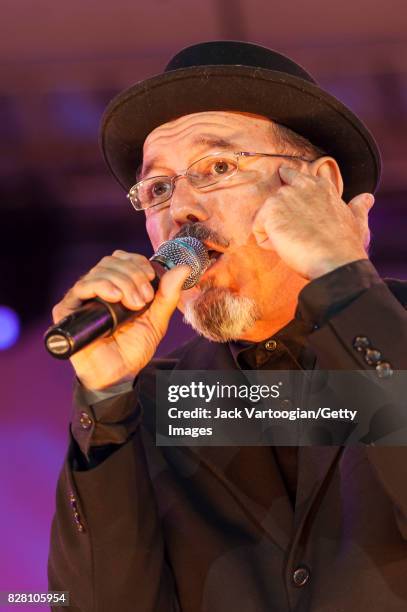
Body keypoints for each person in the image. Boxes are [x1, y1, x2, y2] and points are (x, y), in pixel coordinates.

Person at [48, 41, 407, 611]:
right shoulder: (151, 410)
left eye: (217, 167)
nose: (181, 210)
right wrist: (106, 397)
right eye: (158, 188)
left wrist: (341, 277)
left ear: (321, 187)